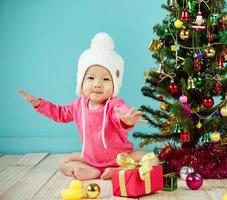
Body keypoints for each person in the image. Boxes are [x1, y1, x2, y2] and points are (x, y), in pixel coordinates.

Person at [17, 32, 158, 180]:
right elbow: (60, 113)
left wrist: (127, 119)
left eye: (105, 79)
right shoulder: (79, 105)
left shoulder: (114, 104)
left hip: (120, 158)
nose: (97, 84)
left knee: (152, 158)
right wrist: (39, 104)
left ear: (114, 84)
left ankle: (117, 171)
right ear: (81, 81)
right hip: (90, 160)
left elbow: (121, 113)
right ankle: (94, 172)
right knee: (63, 161)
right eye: (91, 78)